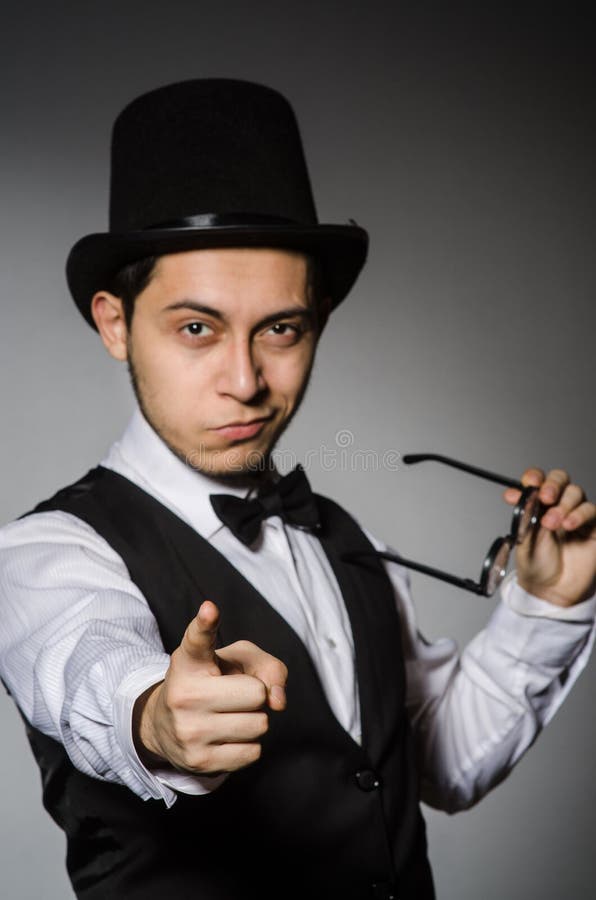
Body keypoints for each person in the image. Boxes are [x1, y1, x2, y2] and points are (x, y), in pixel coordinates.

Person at [0, 78, 594, 900]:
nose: (245, 380)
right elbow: (88, 668)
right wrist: (158, 719)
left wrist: (547, 605)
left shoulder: (347, 540)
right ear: (114, 323)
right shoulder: (44, 554)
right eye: (197, 329)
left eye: (281, 329)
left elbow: (445, 764)